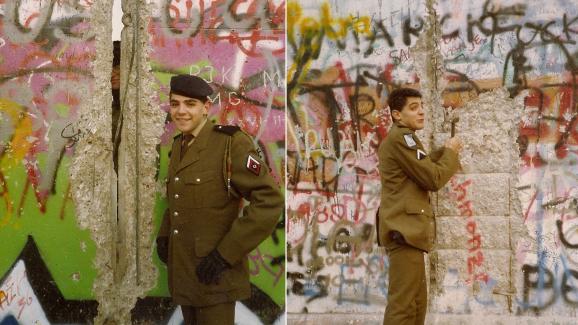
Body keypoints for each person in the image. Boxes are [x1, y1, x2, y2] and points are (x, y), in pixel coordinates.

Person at [156, 74, 283, 325]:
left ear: (206, 107)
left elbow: (269, 201)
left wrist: (226, 255)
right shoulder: (179, 145)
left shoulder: (229, 144)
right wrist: (165, 234)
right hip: (186, 273)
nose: (181, 111)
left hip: (216, 276)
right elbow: (178, 198)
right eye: (175, 104)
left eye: (190, 104)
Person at [377, 88, 462, 324]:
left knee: (416, 306)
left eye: (421, 106)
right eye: (413, 108)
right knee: (403, 307)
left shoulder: (404, 139)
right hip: (405, 233)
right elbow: (432, 178)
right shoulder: (402, 138)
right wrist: (452, 153)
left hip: (409, 234)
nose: (422, 112)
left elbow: (421, 165)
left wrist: (443, 153)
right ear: (397, 114)